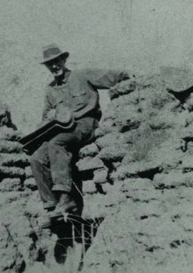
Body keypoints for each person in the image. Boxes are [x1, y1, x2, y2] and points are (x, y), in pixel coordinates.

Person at [29, 44, 130, 228]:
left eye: (56, 61)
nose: (54, 66)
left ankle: (66, 199)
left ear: (64, 60)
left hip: (85, 125)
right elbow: (45, 118)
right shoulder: (50, 90)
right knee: (36, 158)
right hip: (61, 130)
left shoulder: (82, 75)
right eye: (49, 64)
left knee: (57, 143)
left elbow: (114, 77)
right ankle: (53, 207)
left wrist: (130, 80)